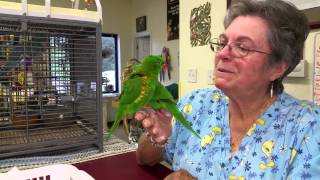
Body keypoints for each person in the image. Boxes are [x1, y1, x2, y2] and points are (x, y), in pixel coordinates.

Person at [135, 0, 320, 179]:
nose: (222, 54)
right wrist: (157, 137)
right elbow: (142, 158)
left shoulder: (308, 127)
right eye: (222, 43)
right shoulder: (195, 103)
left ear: (277, 67)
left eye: (242, 47)